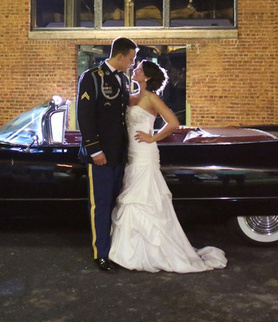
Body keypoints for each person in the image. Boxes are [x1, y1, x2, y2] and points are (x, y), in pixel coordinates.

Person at [109, 60, 227, 272]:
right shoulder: (131, 96)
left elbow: (173, 122)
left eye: (139, 69)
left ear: (146, 77)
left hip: (145, 151)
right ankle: (129, 250)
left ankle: (148, 251)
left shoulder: (151, 98)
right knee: (130, 196)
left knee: (142, 198)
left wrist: (153, 137)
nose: (135, 70)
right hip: (130, 153)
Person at [77, 36, 138, 272]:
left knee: (114, 203)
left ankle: (115, 250)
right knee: (101, 205)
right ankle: (101, 254)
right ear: (120, 56)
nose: (132, 63)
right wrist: (94, 148)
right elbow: (85, 115)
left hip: (119, 153)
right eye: (131, 58)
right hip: (101, 154)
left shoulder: (122, 79)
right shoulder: (92, 77)